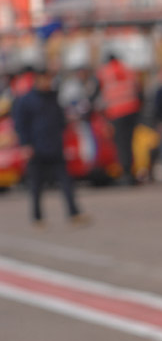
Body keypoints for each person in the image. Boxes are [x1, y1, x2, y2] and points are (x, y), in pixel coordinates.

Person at [14, 67, 88, 227]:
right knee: (36, 186)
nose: (48, 82)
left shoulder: (54, 98)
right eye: (45, 79)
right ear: (37, 80)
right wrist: (25, 144)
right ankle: (37, 218)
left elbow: (60, 121)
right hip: (35, 149)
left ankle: (74, 214)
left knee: (66, 182)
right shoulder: (26, 100)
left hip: (55, 147)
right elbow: (20, 124)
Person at [97, 53, 141, 184]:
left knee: (121, 145)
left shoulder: (104, 71)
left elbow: (97, 91)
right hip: (132, 110)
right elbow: (138, 89)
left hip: (116, 112)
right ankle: (132, 173)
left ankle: (126, 174)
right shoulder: (127, 69)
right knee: (129, 143)